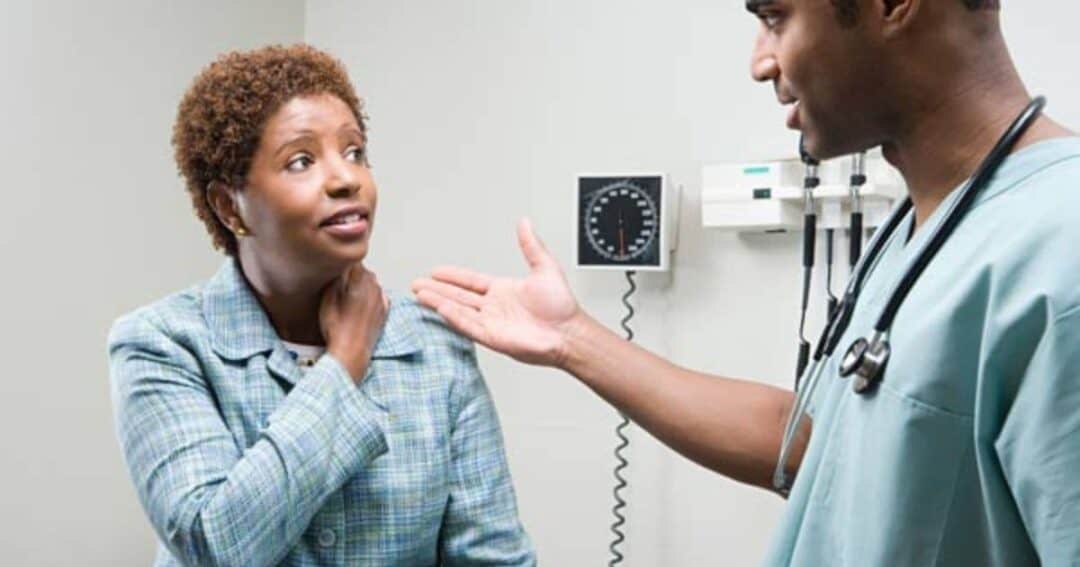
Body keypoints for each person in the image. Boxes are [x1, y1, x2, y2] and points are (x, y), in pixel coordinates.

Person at [412, 1, 1080, 564]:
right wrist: (572, 338)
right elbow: (818, 448)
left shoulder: (1060, 253)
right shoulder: (920, 225)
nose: (760, 60)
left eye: (776, 16)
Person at [108, 44, 534, 566]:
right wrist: (343, 364)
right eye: (302, 161)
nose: (345, 178)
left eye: (354, 152)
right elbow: (215, 545)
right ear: (228, 205)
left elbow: (492, 558)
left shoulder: (435, 345)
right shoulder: (162, 344)